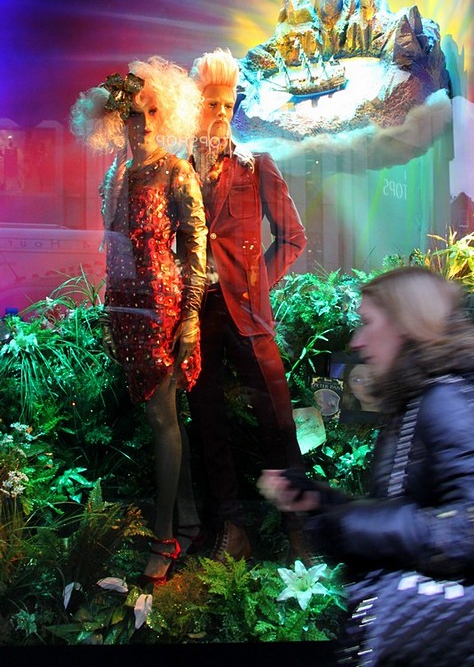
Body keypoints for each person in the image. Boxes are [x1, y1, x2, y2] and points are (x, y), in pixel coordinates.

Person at [258, 266, 474, 629]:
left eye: (367, 323)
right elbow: (413, 506)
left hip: (450, 632)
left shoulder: (447, 399)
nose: (356, 342)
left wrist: (352, 526)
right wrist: (322, 502)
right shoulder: (417, 400)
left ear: (405, 324)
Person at [70, 56, 207, 585]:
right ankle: (188, 521)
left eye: (152, 111)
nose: (143, 123)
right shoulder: (114, 176)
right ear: (116, 119)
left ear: (164, 114)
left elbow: (196, 247)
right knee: (164, 417)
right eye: (132, 113)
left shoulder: (176, 170)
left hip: (163, 304)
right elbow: (113, 249)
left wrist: (190, 316)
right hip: (126, 305)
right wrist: (110, 312)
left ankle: (164, 536)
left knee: (161, 416)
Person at [185, 47, 308, 562]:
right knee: (208, 423)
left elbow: (293, 237)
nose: (220, 112)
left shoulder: (255, 165)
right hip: (196, 318)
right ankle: (231, 530)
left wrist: (258, 285)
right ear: (193, 104)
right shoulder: (178, 171)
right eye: (210, 102)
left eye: (227, 103)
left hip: (249, 315)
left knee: (278, 422)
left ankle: (300, 530)